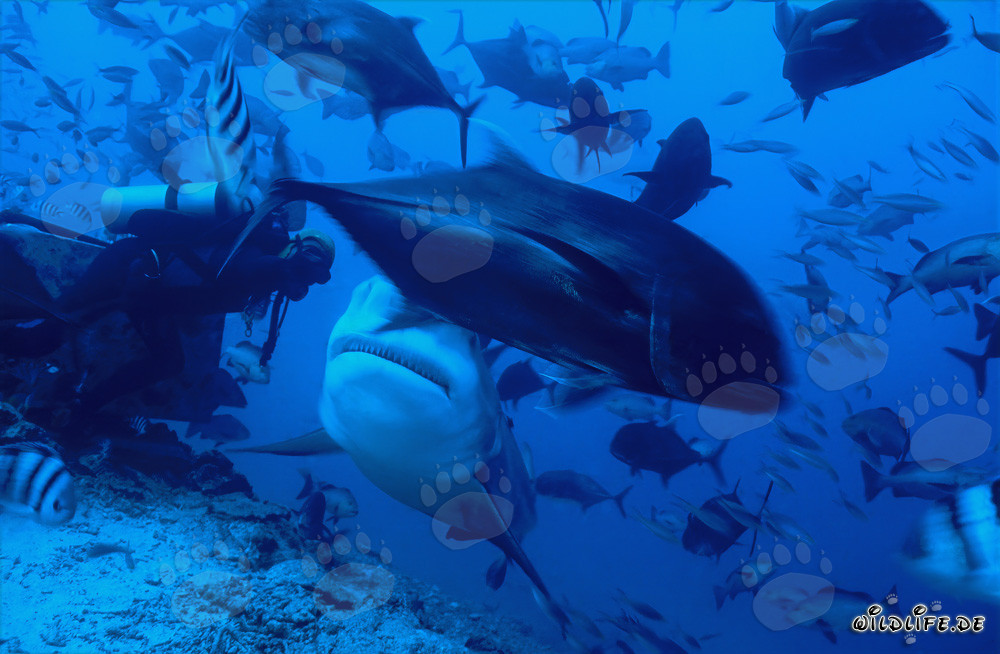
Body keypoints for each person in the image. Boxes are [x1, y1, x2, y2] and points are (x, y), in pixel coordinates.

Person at [0, 188, 335, 414]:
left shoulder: (270, 277)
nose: (307, 267)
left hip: (150, 301)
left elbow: (210, 291)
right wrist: (283, 269)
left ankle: (83, 408)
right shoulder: (259, 254)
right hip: (126, 268)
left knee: (169, 362)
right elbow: (249, 267)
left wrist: (288, 274)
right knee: (41, 340)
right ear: (294, 244)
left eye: (316, 268)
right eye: (308, 254)